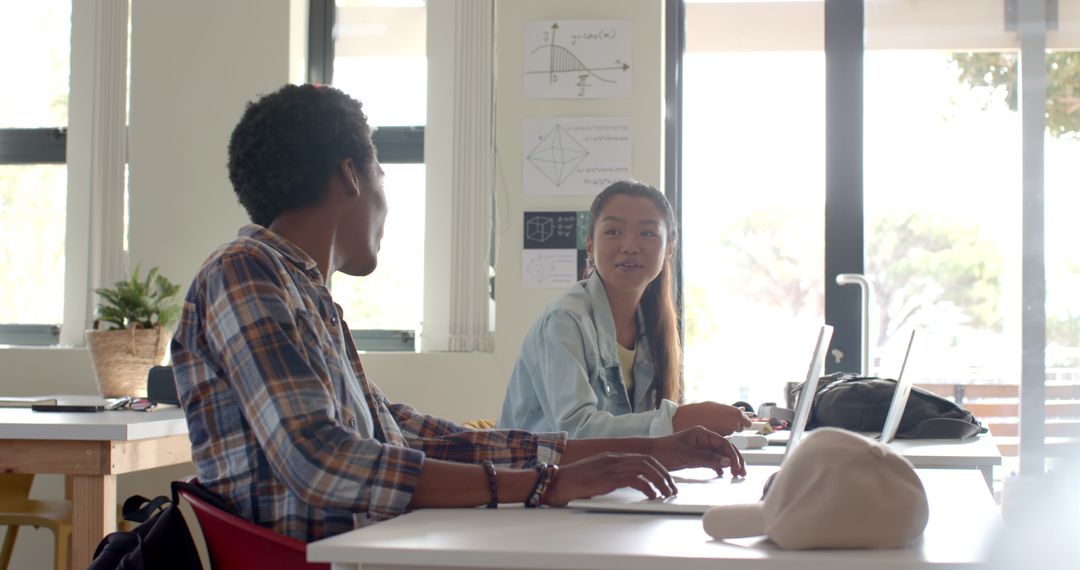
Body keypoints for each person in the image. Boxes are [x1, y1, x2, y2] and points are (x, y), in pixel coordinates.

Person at [170, 84, 745, 543]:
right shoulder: (245, 270)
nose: (385, 201)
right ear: (351, 175)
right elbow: (324, 461)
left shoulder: (308, 295)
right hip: (312, 563)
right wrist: (545, 485)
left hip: (365, 552)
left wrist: (645, 447)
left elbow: (418, 438)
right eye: (382, 174)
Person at [498, 180, 752, 438]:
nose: (629, 246)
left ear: (669, 249)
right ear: (590, 245)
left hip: (609, 476)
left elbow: (636, 436)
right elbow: (576, 433)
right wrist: (682, 420)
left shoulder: (652, 324)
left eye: (647, 233)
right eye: (613, 232)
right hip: (537, 477)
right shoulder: (565, 320)